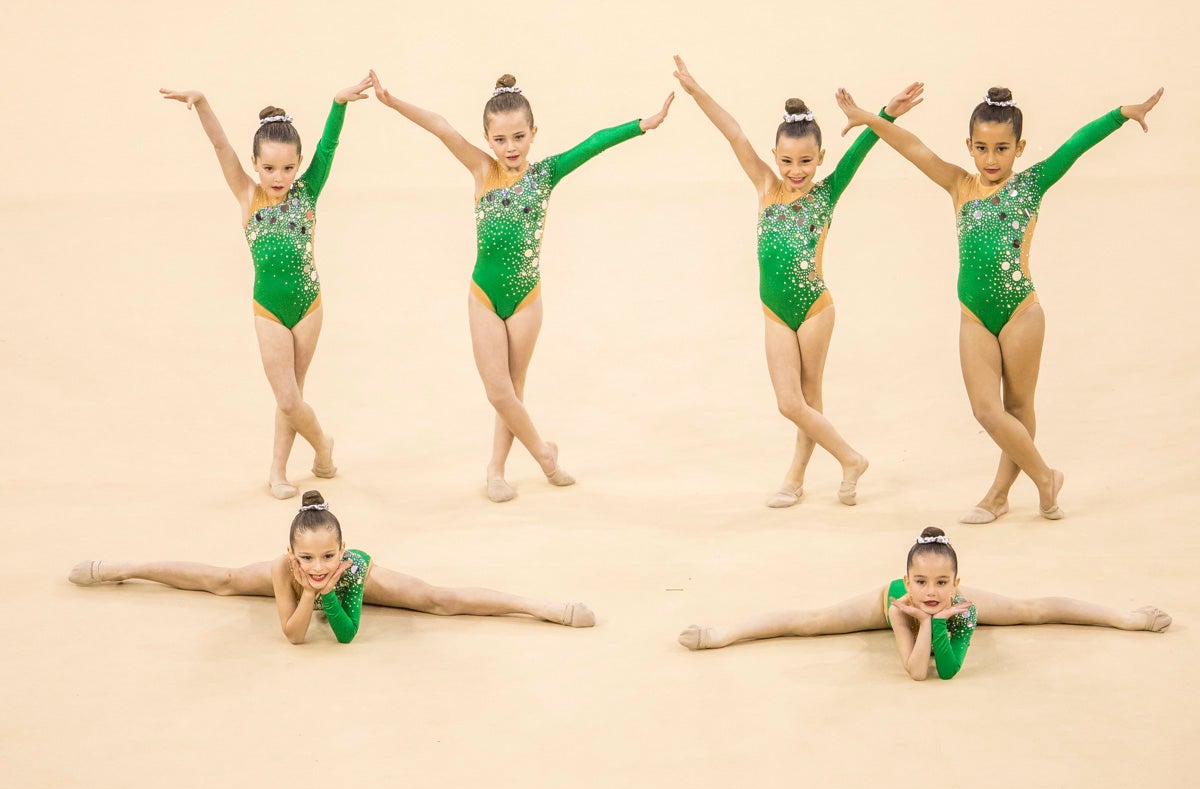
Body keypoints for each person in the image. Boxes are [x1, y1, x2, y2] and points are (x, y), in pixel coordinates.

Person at [836, 85, 1164, 522]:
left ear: (1019, 148)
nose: (991, 159)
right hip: (974, 316)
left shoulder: (1031, 184)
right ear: (969, 146)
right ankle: (1045, 477)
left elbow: (1075, 145)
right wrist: (875, 117)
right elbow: (913, 148)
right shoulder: (959, 185)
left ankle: (999, 495)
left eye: (1002, 149)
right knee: (987, 411)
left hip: (1021, 312)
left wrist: (1121, 113)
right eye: (982, 148)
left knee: (1019, 407)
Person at [369, 69, 673, 502]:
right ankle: (545, 456)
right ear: (487, 139)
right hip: (484, 297)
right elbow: (441, 127)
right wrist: (394, 101)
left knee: (513, 390)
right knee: (498, 392)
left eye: (518, 137)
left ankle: (495, 470)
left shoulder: (545, 174)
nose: (510, 147)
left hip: (527, 299)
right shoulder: (482, 170)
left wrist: (641, 125)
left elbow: (593, 144)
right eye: (500, 139)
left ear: (533, 133)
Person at [672, 57, 925, 507]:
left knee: (809, 398)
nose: (796, 170)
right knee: (790, 403)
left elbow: (863, 147)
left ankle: (796, 478)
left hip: (814, 309)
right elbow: (734, 133)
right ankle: (850, 459)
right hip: (775, 312)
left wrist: (886, 112)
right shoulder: (766, 187)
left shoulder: (827, 193)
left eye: (806, 161)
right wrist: (695, 91)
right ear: (774, 157)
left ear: (820, 158)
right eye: (787, 160)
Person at [160, 77, 373, 499]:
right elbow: (222, 147)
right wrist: (202, 102)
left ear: (298, 164)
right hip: (269, 311)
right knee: (289, 399)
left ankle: (278, 470)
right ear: (255, 164)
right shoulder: (247, 195)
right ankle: (322, 445)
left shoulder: (307, 193)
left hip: (309, 306)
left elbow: (328, 148)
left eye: (289, 168)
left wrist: (338, 104)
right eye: (270, 168)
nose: (279, 177)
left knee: (293, 394)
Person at [68, 491, 596, 644]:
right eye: (307, 558)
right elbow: (295, 636)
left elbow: (344, 635)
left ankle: (541, 606)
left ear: (343, 550)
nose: (318, 566)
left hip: (357, 581)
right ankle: (124, 567)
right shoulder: (286, 569)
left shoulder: (351, 567)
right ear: (291, 554)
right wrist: (307, 591)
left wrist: (333, 584)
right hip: (300, 588)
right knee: (223, 581)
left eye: (327, 555)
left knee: (437, 601)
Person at [678, 527, 1170, 680]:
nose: (931, 591)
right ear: (907, 580)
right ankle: (723, 634)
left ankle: (1124, 619)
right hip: (889, 607)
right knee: (813, 620)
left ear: (956, 583)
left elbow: (1035, 609)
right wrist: (914, 615)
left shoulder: (962, 602)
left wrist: (946, 615)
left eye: (940, 582)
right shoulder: (900, 601)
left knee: (1029, 610)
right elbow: (916, 671)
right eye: (921, 581)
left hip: (950, 608)